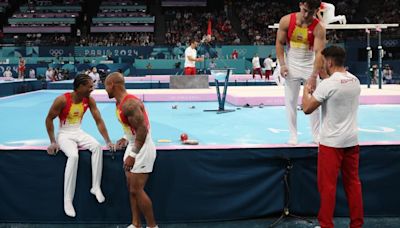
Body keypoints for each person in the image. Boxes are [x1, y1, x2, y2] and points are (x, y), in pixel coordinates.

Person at [302, 45, 363, 228]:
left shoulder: (328, 84)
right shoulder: (355, 81)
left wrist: (306, 91)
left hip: (331, 144)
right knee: (353, 184)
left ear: (329, 62)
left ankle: (326, 225)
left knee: (327, 187)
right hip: (352, 141)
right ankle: (357, 224)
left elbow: (306, 108)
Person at [45, 74, 114, 217]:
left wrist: (108, 141)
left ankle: (95, 187)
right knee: (73, 156)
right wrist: (53, 141)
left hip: (78, 131)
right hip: (64, 134)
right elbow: (49, 119)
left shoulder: (89, 100)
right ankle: (68, 200)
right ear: (80, 87)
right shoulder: (62, 100)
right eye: (90, 86)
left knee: (96, 147)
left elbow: (99, 121)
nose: (92, 88)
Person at [104, 72, 158, 228]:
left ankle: (153, 226)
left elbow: (143, 130)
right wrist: (126, 137)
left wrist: (133, 154)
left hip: (142, 148)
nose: (105, 89)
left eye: (105, 86)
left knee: (137, 189)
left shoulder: (130, 104)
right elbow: (132, 128)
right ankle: (136, 224)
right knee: (131, 189)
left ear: (112, 85)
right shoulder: (118, 103)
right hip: (133, 144)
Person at [275, 0, 326, 145]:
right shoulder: (286, 21)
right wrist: (282, 64)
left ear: (317, 10)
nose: (306, 14)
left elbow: (319, 54)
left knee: (313, 101)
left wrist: (313, 76)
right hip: (291, 65)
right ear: (300, 5)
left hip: (310, 65)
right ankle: (293, 135)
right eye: (304, 10)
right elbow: (279, 43)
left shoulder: (319, 28)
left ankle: (316, 135)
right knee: (290, 102)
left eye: (311, 12)